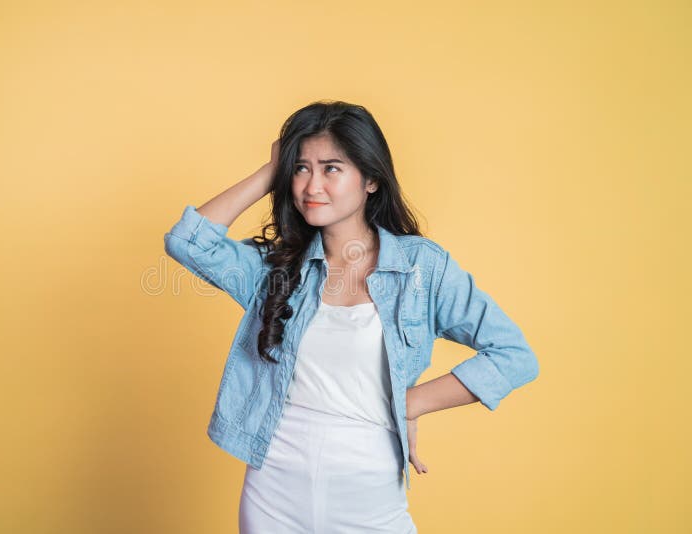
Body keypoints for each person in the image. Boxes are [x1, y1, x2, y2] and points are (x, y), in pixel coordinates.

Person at [164, 100, 539, 533]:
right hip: (274, 490)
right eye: (301, 169)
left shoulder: (421, 270)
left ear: (372, 179)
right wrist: (271, 172)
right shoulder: (276, 268)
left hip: (368, 492)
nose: (311, 185)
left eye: (331, 168)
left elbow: (513, 355)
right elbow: (187, 243)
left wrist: (408, 404)